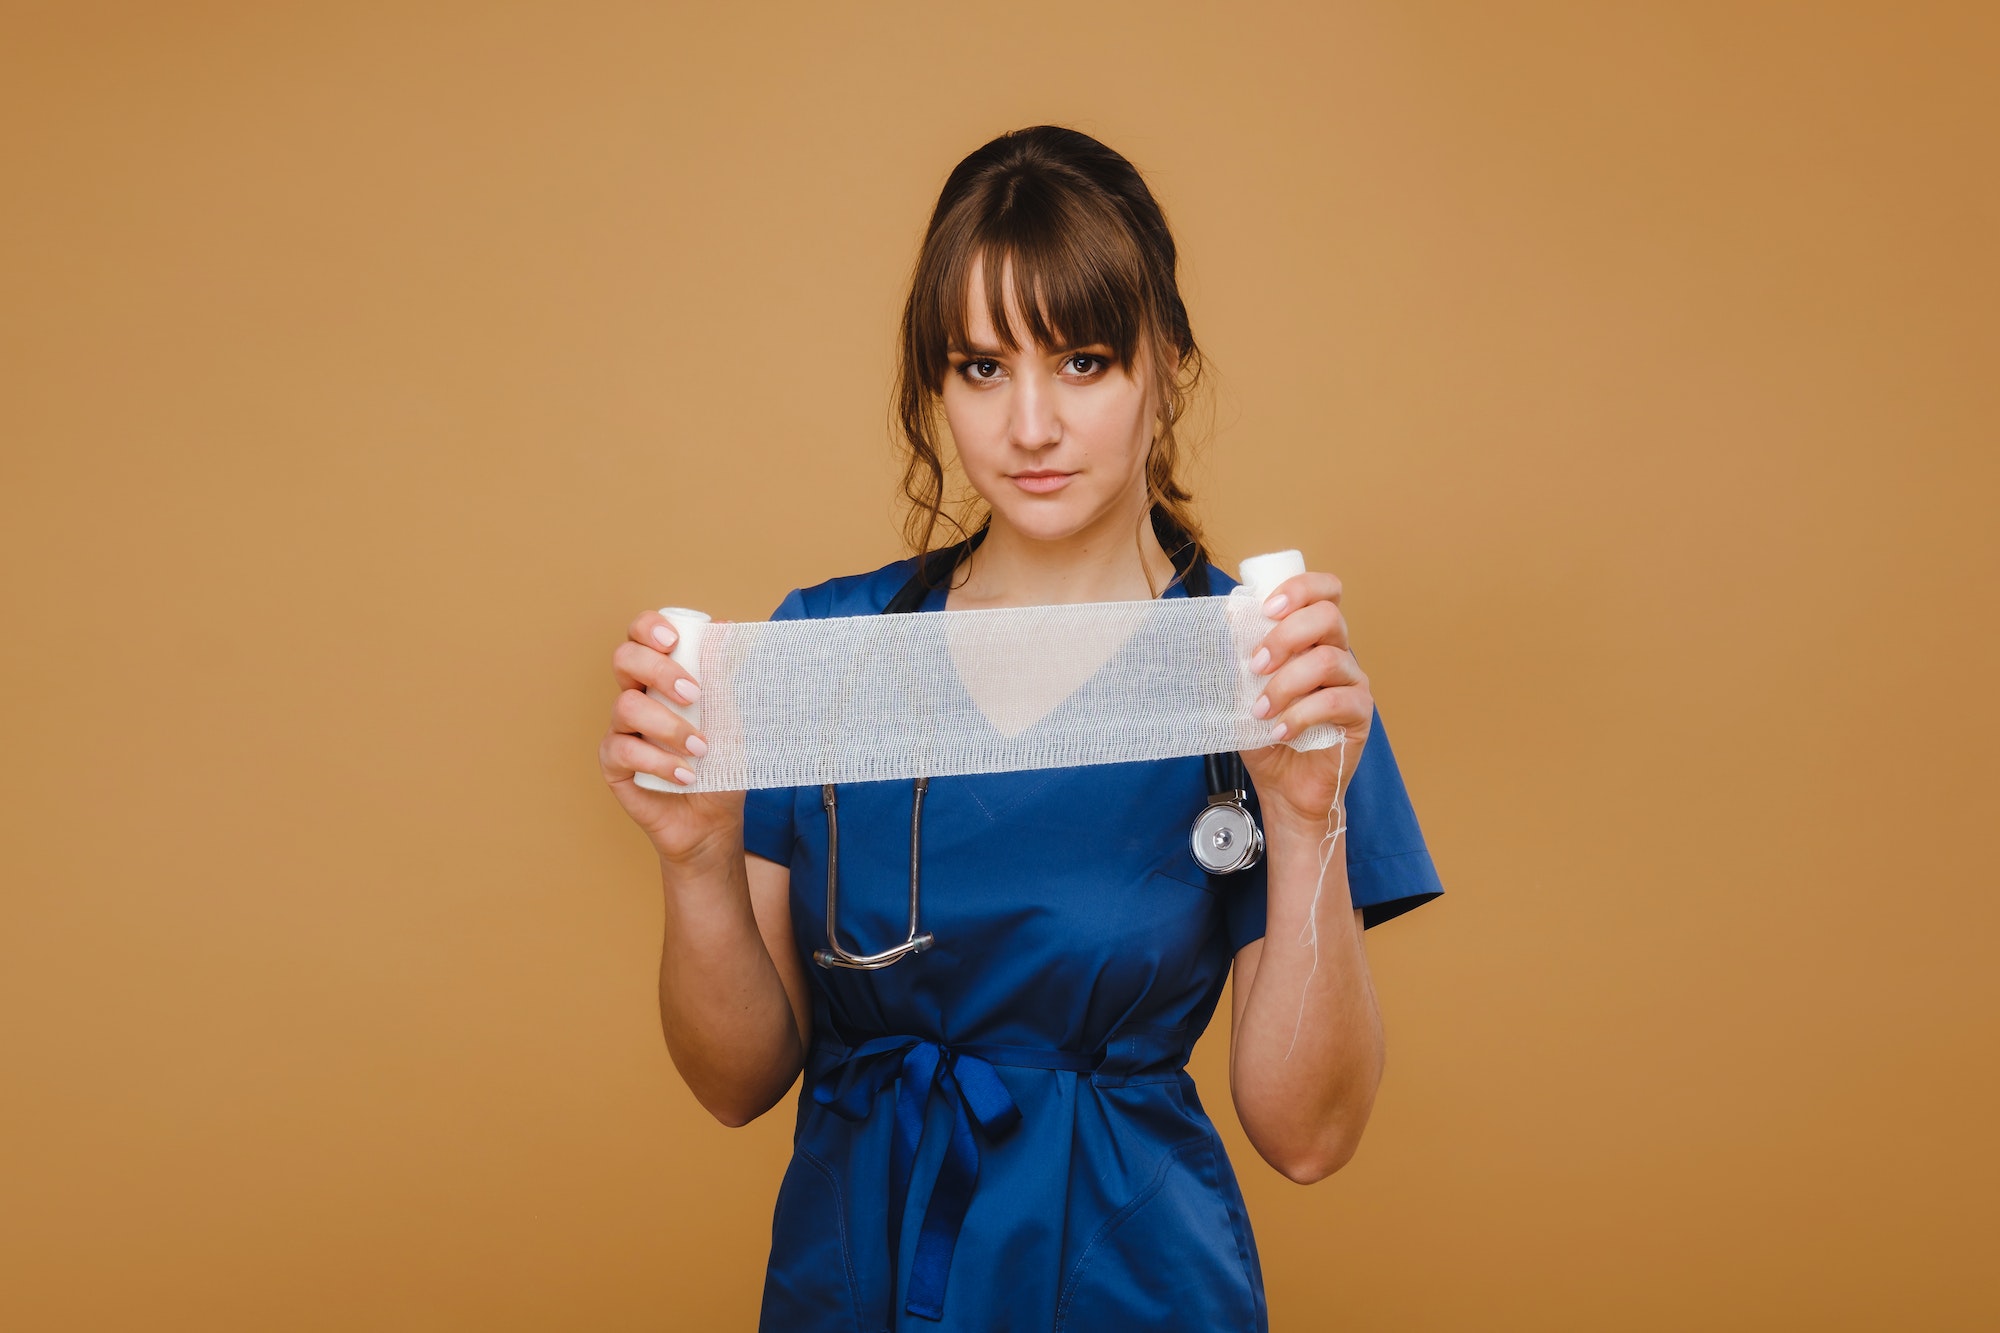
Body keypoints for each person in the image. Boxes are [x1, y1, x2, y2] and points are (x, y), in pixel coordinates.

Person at [600, 125, 1443, 1332]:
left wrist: (1306, 821)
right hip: (859, 1285)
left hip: (1127, 1282)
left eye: (1082, 362)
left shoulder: (1264, 669)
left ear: (1167, 364)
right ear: (932, 385)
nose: (1029, 425)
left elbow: (1307, 1138)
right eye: (981, 367)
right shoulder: (825, 654)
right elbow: (734, 1083)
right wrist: (690, 860)